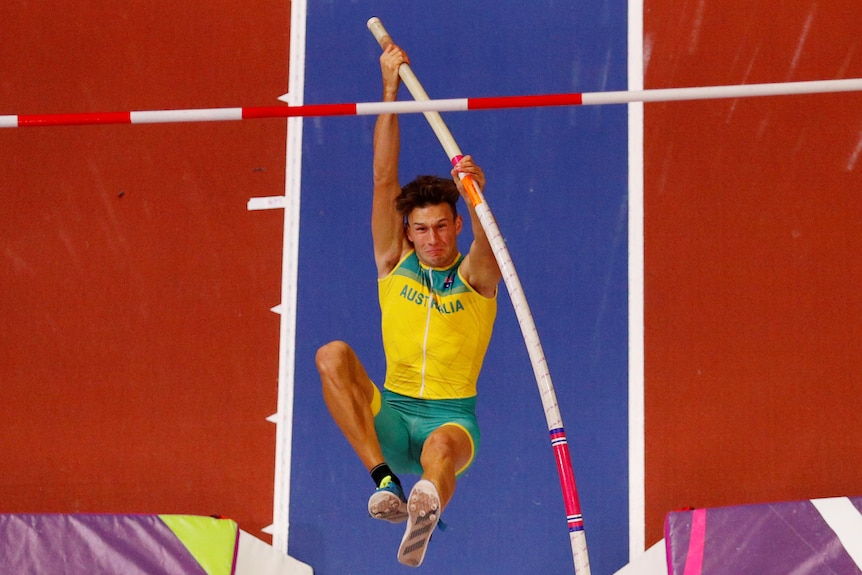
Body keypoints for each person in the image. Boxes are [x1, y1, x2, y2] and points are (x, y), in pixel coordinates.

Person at [315, 42, 501, 568]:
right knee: (332, 355)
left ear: (456, 225)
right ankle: (385, 483)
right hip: (391, 415)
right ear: (408, 233)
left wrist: (475, 195)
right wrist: (389, 89)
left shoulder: (474, 278)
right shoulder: (393, 261)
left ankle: (426, 505)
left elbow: (489, 241)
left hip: (450, 421)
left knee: (438, 455)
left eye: (443, 225)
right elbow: (383, 179)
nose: (433, 238)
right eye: (421, 229)